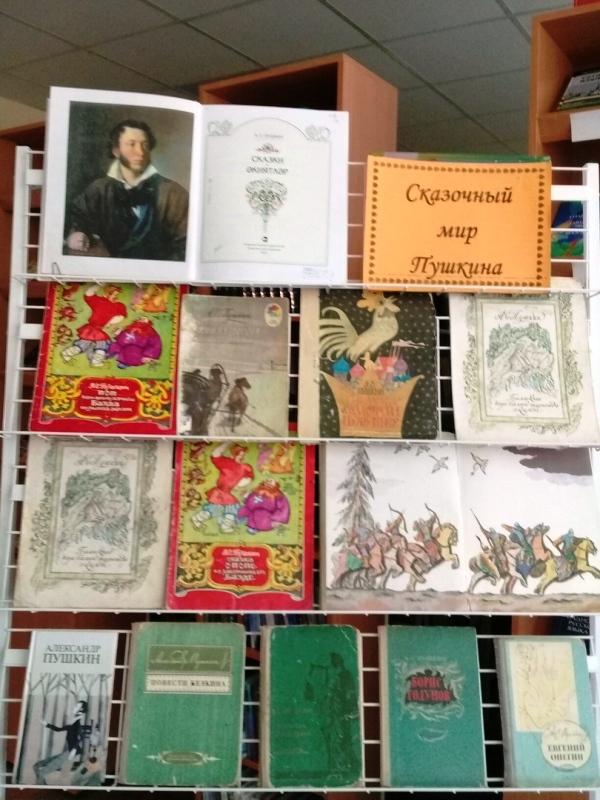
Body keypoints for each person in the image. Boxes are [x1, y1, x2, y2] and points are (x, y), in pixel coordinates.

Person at [65, 119, 188, 261]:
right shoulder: (99, 189)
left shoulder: (173, 193)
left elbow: (186, 244)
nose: (140, 152)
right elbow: (77, 216)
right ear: (116, 151)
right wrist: (77, 233)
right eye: (131, 144)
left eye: (145, 145)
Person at [62, 284, 126, 367]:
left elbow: (121, 316)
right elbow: (89, 294)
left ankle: (67, 354)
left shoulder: (117, 305)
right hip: (93, 327)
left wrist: (110, 322)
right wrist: (99, 284)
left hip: (95, 329)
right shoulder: (99, 301)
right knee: (103, 343)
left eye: (117, 295)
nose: (116, 297)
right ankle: (96, 362)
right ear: (107, 293)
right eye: (114, 294)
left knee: (83, 344)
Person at [33, 700, 89, 785]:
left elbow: (80, 737)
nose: (74, 707)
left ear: (81, 710)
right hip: (67, 750)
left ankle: (41, 788)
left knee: (41, 773)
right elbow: (59, 729)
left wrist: (73, 750)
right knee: (36, 766)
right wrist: (46, 724)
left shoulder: (78, 722)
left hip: (70, 752)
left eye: (77, 706)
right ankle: (43, 786)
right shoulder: (74, 721)